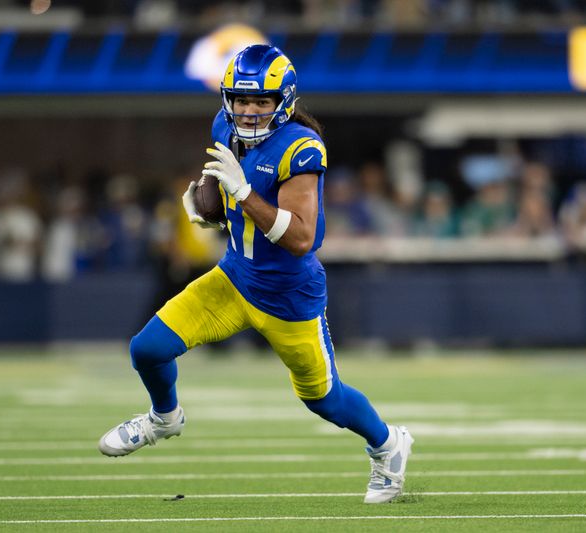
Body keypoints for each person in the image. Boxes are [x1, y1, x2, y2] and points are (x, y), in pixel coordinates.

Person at [98, 44, 413, 504]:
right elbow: (224, 186)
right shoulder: (224, 124)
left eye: (261, 101)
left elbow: (302, 238)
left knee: (324, 399)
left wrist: (243, 193)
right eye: (242, 100)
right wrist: (212, 208)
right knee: (146, 349)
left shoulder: (301, 148)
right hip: (234, 277)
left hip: (288, 294)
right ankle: (164, 418)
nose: (248, 111)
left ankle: (388, 445)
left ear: (283, 101)